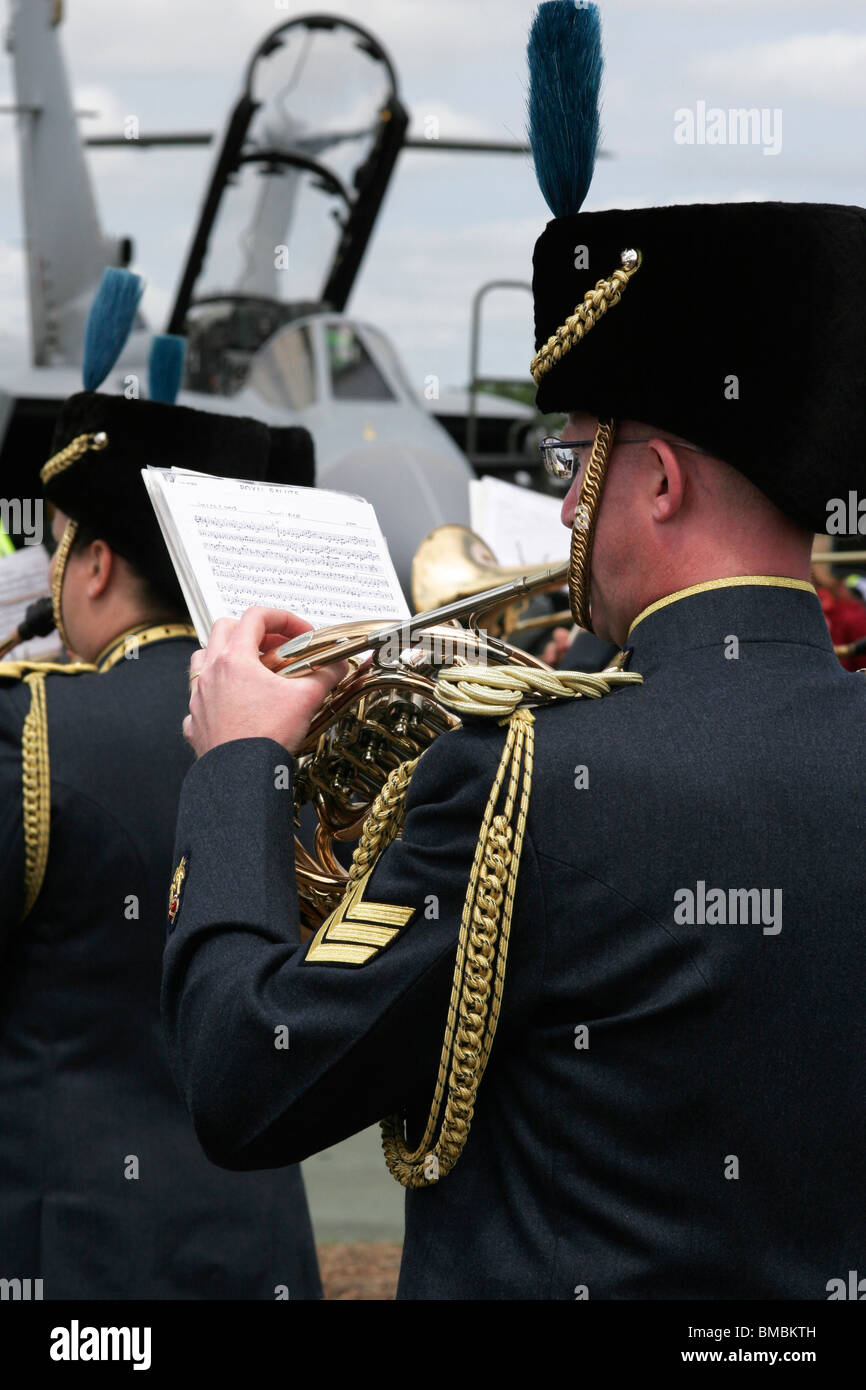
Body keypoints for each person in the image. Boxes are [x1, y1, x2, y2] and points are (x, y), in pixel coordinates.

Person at [162, 2, 866, 1298]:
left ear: (653, 480)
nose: (557, 507)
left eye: (572, 458)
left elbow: (243, 1081)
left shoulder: (518, 779)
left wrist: (243, 767)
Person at [0, 338, 322, 1298]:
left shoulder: (35, 722)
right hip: (260, 1241)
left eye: (57, 544)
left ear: (95, 563)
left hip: (70, 1250)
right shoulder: (315, 728)